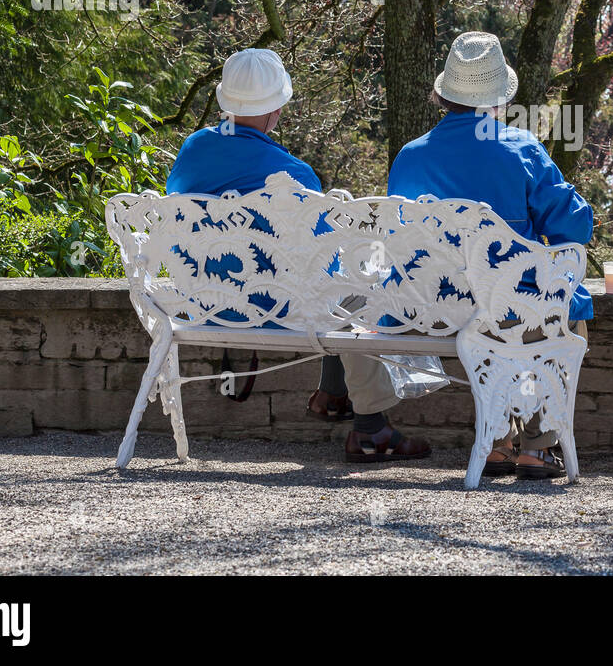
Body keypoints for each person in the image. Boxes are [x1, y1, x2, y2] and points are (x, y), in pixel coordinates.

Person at [166, 47, 431, 463]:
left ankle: (333, 396)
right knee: (361, 290)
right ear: (276, 110)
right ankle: (370, 429)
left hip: (203, 301)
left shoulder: (192, 150)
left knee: (343, 286)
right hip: (273, 308)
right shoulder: (294, 177)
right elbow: (322, 266)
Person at [387, 31, 594, 480]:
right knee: (550, 306)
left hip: (428, 307)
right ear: (498, 99)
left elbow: (398, 237)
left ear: (443, 96)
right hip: (502, 309)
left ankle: (499, 443)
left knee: (492, 302)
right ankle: (536, 447)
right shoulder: (520, 149)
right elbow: (574, 228)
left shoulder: (409, 157)